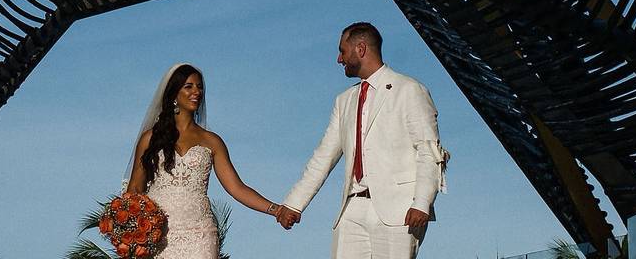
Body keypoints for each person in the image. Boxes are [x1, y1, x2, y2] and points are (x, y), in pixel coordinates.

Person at [276, 22, 447, 259]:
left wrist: (422, 202)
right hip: (351, 210)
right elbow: (323, 156)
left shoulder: (409, 89)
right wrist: (294, 203)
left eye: (342, 51)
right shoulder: (343, 101)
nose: (338, 59)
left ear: (361, 49)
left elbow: (429, 151)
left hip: (399, 210)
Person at [125, 63, 281, 258]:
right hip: (157, 236)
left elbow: (237, 188)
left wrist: (276, 210)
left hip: (200, 236)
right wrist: (130, 229)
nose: (196, 92)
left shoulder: (212, 141)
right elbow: (135, 190)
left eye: (199, 87)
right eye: (188, 86)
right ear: (174, 94)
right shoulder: (150, 139)